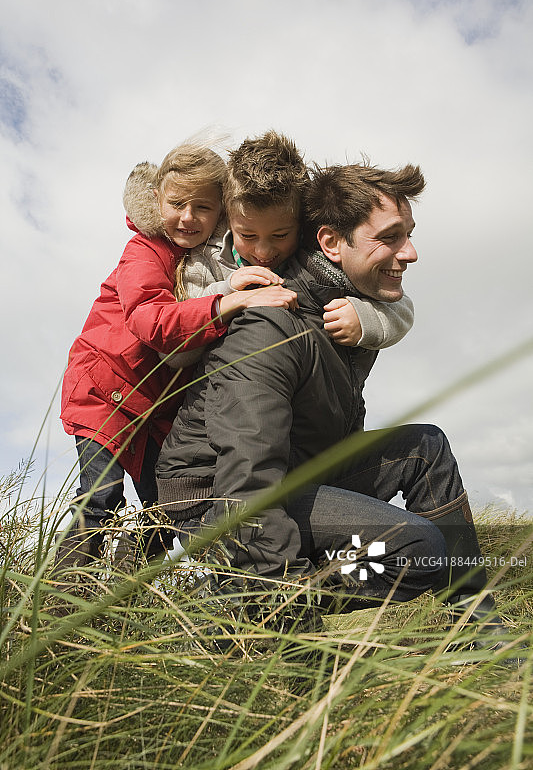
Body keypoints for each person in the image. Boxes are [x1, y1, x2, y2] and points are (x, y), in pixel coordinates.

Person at [155, 157, 515, 655]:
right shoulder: (270, 325)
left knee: (425, 447)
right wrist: (286, 612)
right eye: (389, 237)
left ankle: (476, 625)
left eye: (409, 234)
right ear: (330, 243)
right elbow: (247, 481)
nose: (410, 253)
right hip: (217, 495)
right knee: (416, 547)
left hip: (298, 469)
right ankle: (243, 602)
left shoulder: (353, 313)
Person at [55, 139, 296, 573]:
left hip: (154, 407)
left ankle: (127, 589)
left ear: (220, 211)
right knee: (102, 497)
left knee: (167, 506)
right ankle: (58, 602)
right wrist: (227, 303)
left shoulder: (208, 258)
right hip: (105, 389)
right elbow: (152, 321)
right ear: (156, 199)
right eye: (177, 203)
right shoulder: (144, 251)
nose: (188, 217)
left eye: (203, 207)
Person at [122, 131, 415, 371]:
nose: (263, 251)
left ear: (299, 225)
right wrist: (230, 294)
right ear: (227, 218)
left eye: (280, 235)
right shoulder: (203, 262)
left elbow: (398, 304)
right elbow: (173, 356)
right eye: (247, 235)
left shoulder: (317, 253)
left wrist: (365, 319)